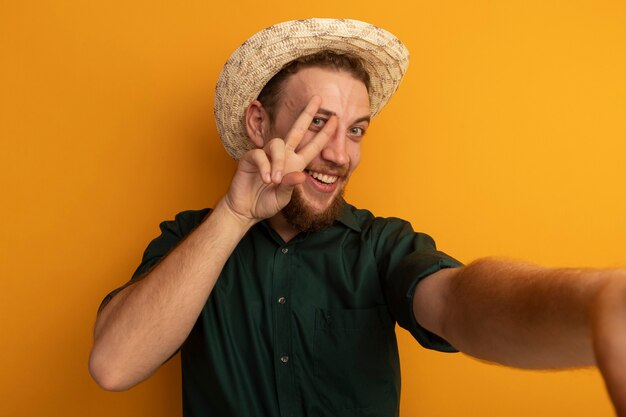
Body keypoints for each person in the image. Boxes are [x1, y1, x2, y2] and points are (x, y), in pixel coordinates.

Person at [89, 18, 626, 417]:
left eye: (356, 129)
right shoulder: (190, 239)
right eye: (317, 122)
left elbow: (460, 301)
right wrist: (234, 214)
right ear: (259, 122)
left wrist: (594, 305)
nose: (340, 155)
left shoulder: (381, 246)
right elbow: (113, 366)